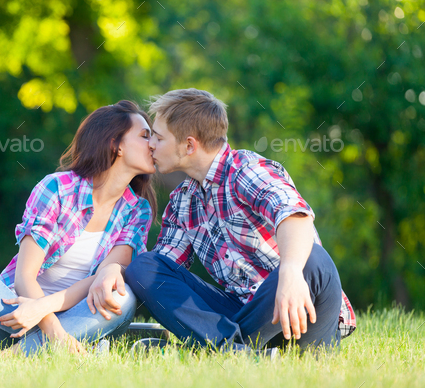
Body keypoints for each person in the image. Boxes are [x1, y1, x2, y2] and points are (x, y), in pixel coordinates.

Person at [125, 88, 356, 355]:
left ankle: (214, 348)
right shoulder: (183, 200)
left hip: (295, 306)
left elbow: (296, 216)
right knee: (144, 267)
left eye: (158, 137)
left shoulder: (246, 171)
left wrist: (290, 273)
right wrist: (113, 274)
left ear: (189, 145)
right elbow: (164, 274)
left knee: (314, 260)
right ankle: (233, 351)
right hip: (244, 313)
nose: (151, 144)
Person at [0, 100, 157, 358]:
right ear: (115, 144)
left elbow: (103, 278)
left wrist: (42, 308)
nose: (153, 144)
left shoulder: (137, 210)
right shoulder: (57, 188)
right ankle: (47, 347)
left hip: (78, 317)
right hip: (14, 314)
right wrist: (57, 334)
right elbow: (24, 278)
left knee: (123, 297)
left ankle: (1, 358)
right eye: (145, 136)